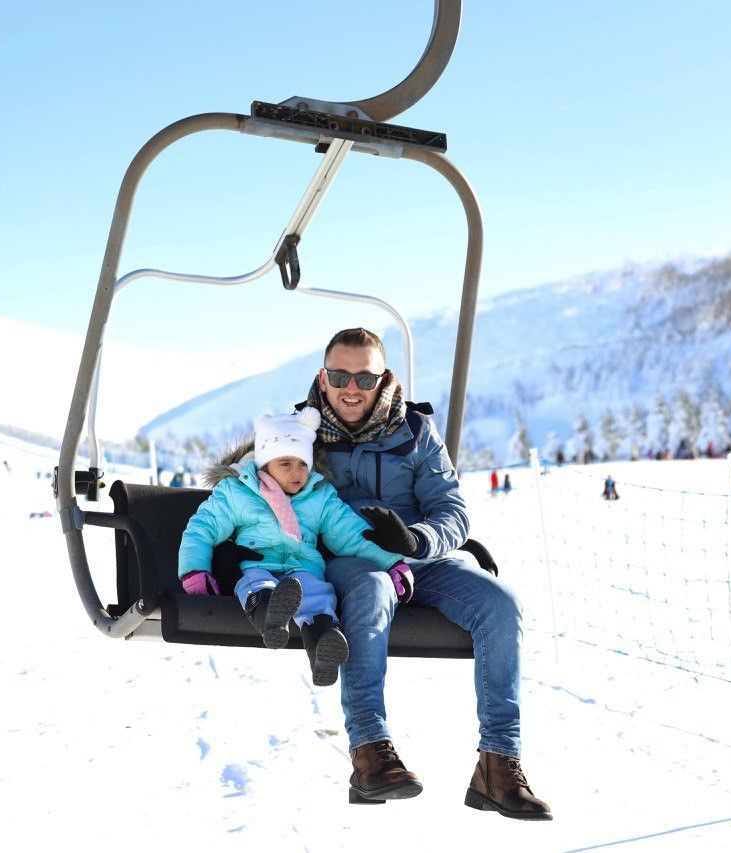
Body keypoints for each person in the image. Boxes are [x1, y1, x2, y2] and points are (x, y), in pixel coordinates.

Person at [300, 328, 550, 818]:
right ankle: (370, 752)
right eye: (339, 375)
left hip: (421, 561)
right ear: (322, 377)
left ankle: (498, 766)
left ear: (384, 378)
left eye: (365, 377)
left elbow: (452, 510)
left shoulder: (414, 432)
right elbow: (263, 501)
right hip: (351, 560)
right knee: (369, 590)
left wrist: (417, 541)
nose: (352, 388)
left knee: (501, 604)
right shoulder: (299, 436)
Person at [179, 409, 413, 687]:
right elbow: (203, 528)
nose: (297, 472)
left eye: (303, 464)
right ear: (265, 464)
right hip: (256, 563)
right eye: (286, 463)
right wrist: (195, 570)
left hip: (303, 568)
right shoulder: (238, 491)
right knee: (255, 583)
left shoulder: (319, 495)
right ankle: (268, 612)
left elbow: (350, 534)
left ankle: (323, 640)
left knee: (316, 593)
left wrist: (391, 563)